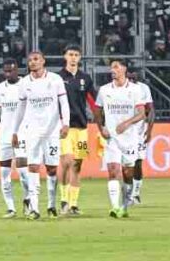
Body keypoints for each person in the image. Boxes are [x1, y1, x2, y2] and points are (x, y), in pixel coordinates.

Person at [11, 50, 70, 220]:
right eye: (30, 60)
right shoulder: (24, 83)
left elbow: (64, 103)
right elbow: (21, 108)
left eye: (36, 59)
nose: (33, 62)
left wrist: (66, 123)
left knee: (52, 169)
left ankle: (51, 205)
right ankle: (35, 208)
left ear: (43, 61)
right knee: (33, 167)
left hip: (52, 131)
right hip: (32, 131)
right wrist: (15, 131)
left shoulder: (55, 79)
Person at [94, 59, 147, 218]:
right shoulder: (104, 90)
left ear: (124, 69)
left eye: (116, 67)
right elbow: (97, 111)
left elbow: (142, 114)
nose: (113, 70)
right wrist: (101, 128)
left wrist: (126, 123)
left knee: (128, 173)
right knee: (112, 170)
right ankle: (115, 207)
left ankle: (124, 206)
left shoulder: (135, 90)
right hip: (112, 138)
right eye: (111, 67)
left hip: (129, 138)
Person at [0, 59, 27, 218]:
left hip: (22, 135)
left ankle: (28, 202)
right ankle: (11, 208)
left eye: (11, 71)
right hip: (4, 136)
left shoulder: (25, 85)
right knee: (4, 173)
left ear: (17, 70)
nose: (8, 74)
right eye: (6, 71)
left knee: (23, 172)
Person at [58, 45, 95, 215]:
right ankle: (63, 200)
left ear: (79, 58)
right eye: (70, 54)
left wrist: (101, 120)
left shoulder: (85, 78)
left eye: (76, 55)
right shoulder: (58, 78)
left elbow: (93, 101)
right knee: (67, 161)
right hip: (64, 127)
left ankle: (73, 204)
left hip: (81, 128)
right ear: (65, 56)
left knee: (77, 165)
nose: (73, 57)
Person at [127, 71, 155, 205]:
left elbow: (151, 110)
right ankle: (128, 193)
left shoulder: (144, 88)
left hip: (140, 131)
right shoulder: (119, 89)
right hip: (125, 130)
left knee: (138, 162)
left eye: (134, 76)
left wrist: (149, 130)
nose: (132, 78)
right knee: (127, 163)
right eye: (129, 76)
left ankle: (136, 193)